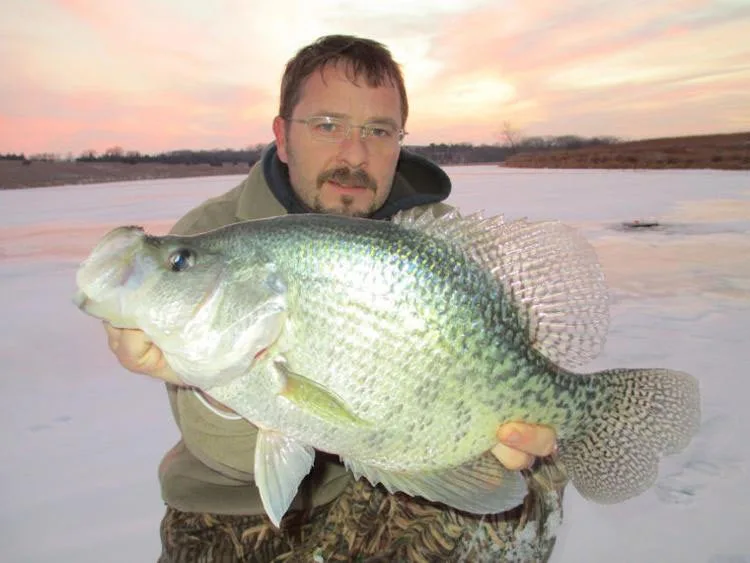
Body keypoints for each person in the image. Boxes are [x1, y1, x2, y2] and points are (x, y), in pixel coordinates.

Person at [104, 34, 565, 562]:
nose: (355, 154)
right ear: (282, 136)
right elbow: (223, 451)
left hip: (391, 469)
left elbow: (507, 357)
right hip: (237, 505)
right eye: (327, 126)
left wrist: (500, 437)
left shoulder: (435, 238)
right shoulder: (213, 240)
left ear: (400, 141)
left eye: (378, 130)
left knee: (540, 473)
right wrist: (211, 379)